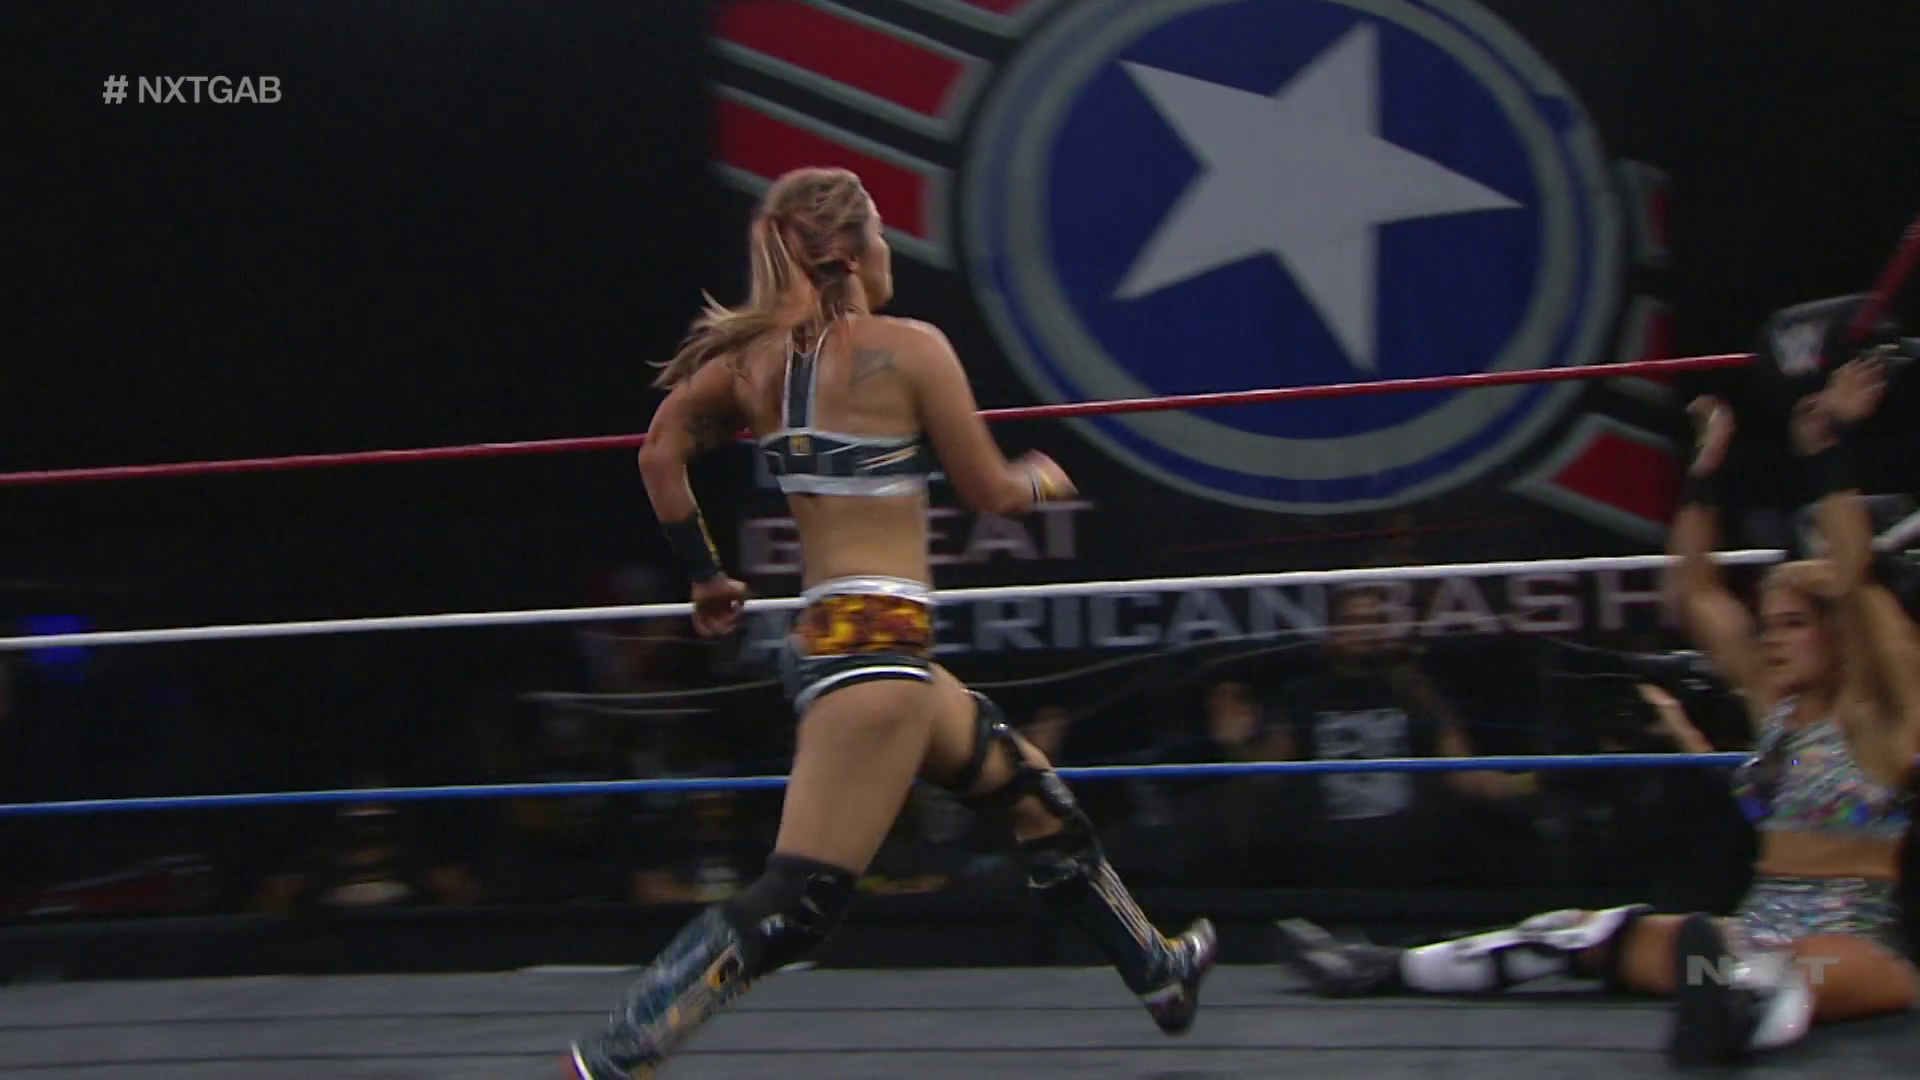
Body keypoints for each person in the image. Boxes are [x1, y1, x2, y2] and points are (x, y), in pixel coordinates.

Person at [567, 167, 1215, 1078]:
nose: (888, 248)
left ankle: (1157, 970)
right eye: (879, 230)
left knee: (1037, 797)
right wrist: (1044, 477)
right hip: (876, 660)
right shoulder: (911, 349)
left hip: (859, 645)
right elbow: (993, 493)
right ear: (851, 248)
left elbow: (658, 453)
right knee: (797, 901)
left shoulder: (750, 364)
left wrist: (708, 578)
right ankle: (614, 1054)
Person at [1275, 354, 1917, 1065]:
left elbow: (1855, 581)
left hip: (1856, 943)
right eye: (1769, 624)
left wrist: (1829, 453)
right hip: (1752, 926)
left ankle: (1732, 1014)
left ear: (1836, 635)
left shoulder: (1878, 718)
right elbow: (1696, 593)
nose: (1771, 640)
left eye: (1792, 624)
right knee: (1584, 931)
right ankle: (1382, 965)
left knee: (1787, 973)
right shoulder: (1776, 708)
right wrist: (1705, 471)